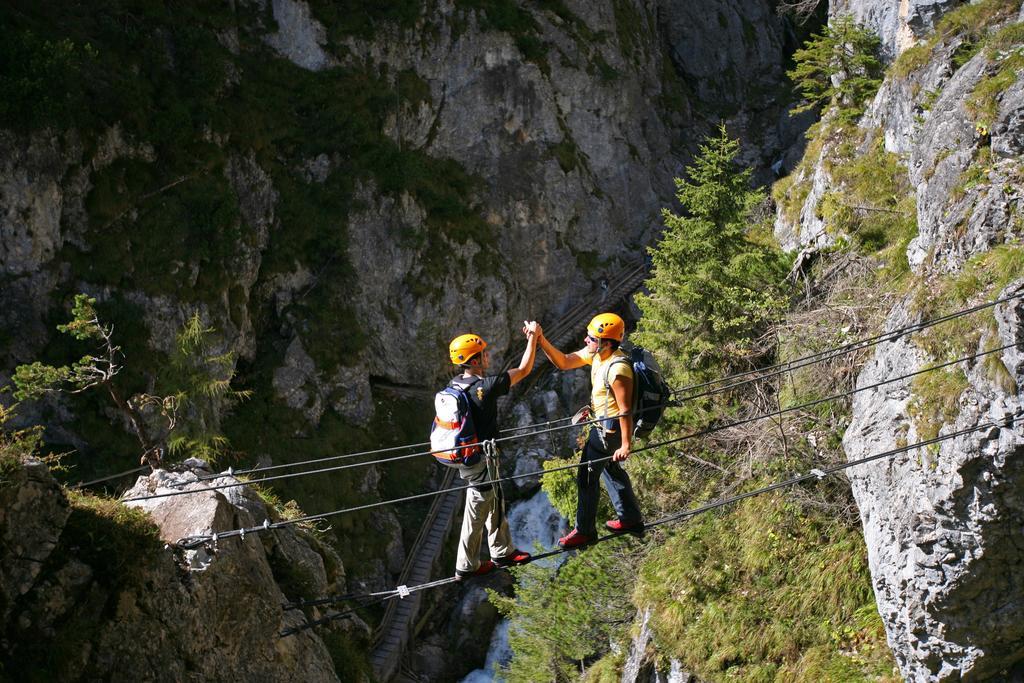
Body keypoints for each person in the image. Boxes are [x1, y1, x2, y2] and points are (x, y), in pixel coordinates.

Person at [536, 312, 644, 548]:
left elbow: (625, 410)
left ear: (606, 342)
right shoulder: (597, 355)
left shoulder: (618, 369)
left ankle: (584, 531)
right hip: (604, 424)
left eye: (591, 338)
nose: (586, 341)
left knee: (585, 475)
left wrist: (626, 444)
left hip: (611, 429)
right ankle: (631, 519)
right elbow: (563, 361)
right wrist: (540, 340)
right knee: (610, 469)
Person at [446, 322, 541, 578]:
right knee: (478, 504)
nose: (488, 356)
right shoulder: (485, 388)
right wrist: (534, 338)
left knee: (494, 496)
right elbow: (524, 369)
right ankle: (466, 565)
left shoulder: (454, 385)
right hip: (480, 458)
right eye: (484, 353)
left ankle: (502, 551)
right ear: (474, 360)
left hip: (472, 456)